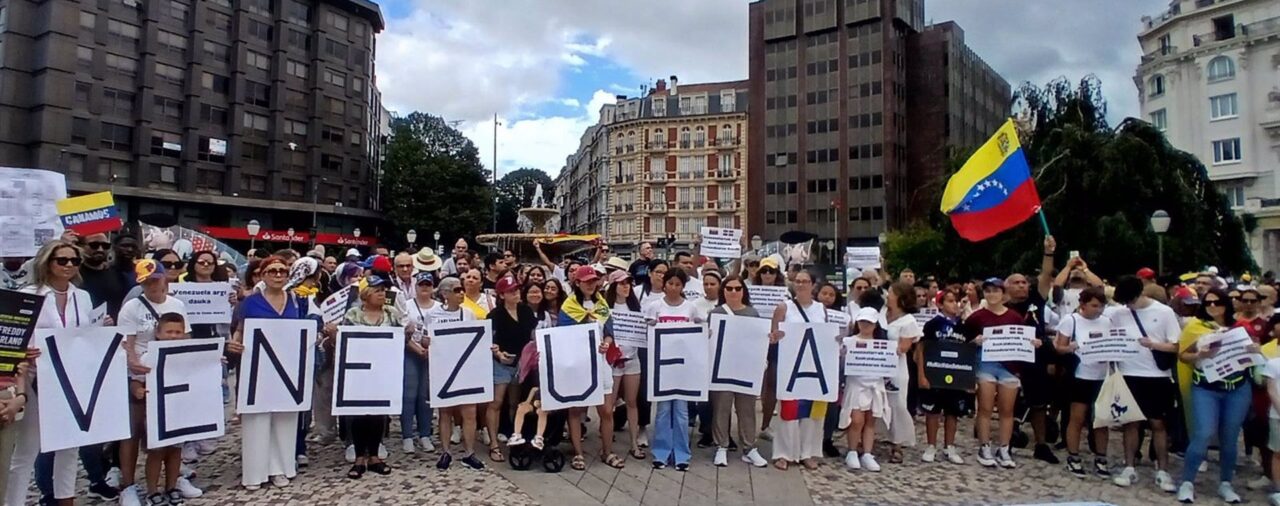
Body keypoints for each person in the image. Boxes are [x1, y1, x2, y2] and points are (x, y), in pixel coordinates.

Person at [8, 240, 111, 505]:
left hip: (72, 378)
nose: (68, 265)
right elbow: (14, 335)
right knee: (27, 450)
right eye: (61, 260)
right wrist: (23, 351)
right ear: (47, 263)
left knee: (69, 444)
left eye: (74, 261)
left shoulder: (82, 296)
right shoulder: (30, 294)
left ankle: (66, 499)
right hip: (35, 378)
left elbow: (85, 336)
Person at [115, 258, 198, 504]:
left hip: (171, 377)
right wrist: (135, 368)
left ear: (164, 278)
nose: (151, 285)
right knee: (133, 432)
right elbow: (126, 343)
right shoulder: (131, 307)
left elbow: (188, 337)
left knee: (173, 435)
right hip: (141, 375)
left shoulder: (177, 305)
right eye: (146, 282)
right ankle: (129, 486)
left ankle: (173, 481)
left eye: (155, 280)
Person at [228, 257, 301, 491]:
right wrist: (234, 344)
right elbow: (238, 330)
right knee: (257, 419)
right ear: (263, 275)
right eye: (273, 271)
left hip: (287, 368)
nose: (278, 275)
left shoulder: (296, 301)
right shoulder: (250, 303)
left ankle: (280, 467)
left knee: (284, 418)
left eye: (283, 271)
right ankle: (255, 471)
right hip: (257, 367)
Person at [1177, 287, 1252, 503]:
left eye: (1216, 302)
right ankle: (1187, 481)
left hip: (1237, 387)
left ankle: (1226, 482)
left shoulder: (1239, 326)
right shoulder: (1196, 327)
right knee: (1203, 433)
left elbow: (1250, 354)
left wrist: (1253, 351)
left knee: (1230, 437)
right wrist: (1200, 354)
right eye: (1207, 303)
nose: (1212, 307)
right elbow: (1182, 355)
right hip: (1206, 387)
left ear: (1225, 304)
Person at [1106, 276, 1181, 492]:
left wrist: (1154, 344)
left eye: (1130, 300)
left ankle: (1163, 469)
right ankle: (1129, 466)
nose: (1127, 305)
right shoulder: (1118, 314)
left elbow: (1175, 346)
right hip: (1129, 373)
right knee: (1131, 423)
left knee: (1158, 424)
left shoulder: (1164, 313)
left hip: (1157, 376)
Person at [963, 277, 1042, 469]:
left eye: (995, 291)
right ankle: (984, 446)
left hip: (1010, 368)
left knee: (1007, 411)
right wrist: (975, 342)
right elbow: (964, 342)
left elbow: (1022, 339)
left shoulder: (1015, 317)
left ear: (1002, 293)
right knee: (985, 408)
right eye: (988, 291)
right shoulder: (976, 317)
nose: (992, 295)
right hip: (985, 365)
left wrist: (1033, 343)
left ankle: (1005, 448)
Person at [338, 276, 405, 479]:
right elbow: (344, 340)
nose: (382, 294)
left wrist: (408, 333)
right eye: (377, 290)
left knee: (378, 414)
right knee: (359, 414)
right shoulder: (353, 314)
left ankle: (375, 456)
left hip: (382, 371)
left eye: (383, 290)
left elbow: (400, 337)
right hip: (359, 372)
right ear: (366, 294)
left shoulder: (391, 314)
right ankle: (359, 457)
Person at [558, 265, 623, 470]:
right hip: (578, 364)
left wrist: (607, 341)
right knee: (576, 409)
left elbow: (609, 330)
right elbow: (564, 336)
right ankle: (578, 453)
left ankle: (607, 451)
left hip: (600, 363)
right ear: (577, 283)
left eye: (594, 280)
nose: (591, 284)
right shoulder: (568, 307)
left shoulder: (601, 304)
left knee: (606, 410)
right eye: (587, 281)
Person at [767, 270, 830, 471]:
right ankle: (784, 453)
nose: (801, 285)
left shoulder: (821, 309)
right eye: (798, 281)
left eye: (805, 281)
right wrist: (776, 336)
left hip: (814, 365)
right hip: (791, 365)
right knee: (789, 410)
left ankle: (808, 452)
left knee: (813, 412)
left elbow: (825, 334)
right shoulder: (784, 308)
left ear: (813, 285)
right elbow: (773, 336)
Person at [707, 275, 769, 468]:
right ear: (723, 291)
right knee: (721, 408)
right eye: (729, 288)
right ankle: (721, 446)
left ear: (743, 291)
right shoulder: (715, 313)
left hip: (745, 369)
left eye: (737, 288)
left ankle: (749, 448)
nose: (733, 292)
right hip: (722, 369)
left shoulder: (752, 313)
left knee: (747, 409)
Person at [642, 268, 700, 471]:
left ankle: (682, 454)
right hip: (662, 368)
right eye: (671, 283)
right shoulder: (654, 306)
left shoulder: (691, 308)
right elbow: (646, 333)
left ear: (683, 286)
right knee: (664, 411)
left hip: (683, 369)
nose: (674, 287)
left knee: (682, 413)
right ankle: (661, 453)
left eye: (678, 284)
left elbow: (697, 335)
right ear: (664, 284)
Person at [137, 313, 197, 505]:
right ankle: (152, 491)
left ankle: (171, 487)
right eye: (169, 331)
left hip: (179, 411)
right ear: (158, 333)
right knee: (157, 452)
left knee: (175, 451)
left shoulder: (187, 355)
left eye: (178, 332)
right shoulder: (148, 357)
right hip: (156, 413)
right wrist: (137, 389)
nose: (173, 336)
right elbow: (136, 379)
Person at [1053, 287, 1112, 479]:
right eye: (1094, 306)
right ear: (1083, 305)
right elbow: (1059, 348)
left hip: (1102, 375)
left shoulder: (1107, 321)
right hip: (1080, 374)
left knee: (1101, 419)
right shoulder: (1071, 321)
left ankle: (1101, 456)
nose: (1098, 310)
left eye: (1101, 306)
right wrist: (1071, 347)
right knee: (1077, 417)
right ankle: (1073, 455)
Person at [428, 276, 485, 471]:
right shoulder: (434, 315)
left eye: (462, 290)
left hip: (465, 368)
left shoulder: (468, 313)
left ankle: (469, 452)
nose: (461, 293)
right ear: (445, 294)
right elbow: (426, 339)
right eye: (457, 290)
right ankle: (446, 452)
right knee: (445, 412)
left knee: (469, 411)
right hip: (443, 367)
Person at [485, 276, 537, 463]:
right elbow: (489, 341)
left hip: (521, 363)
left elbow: (533, 335)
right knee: (496, 402)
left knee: (516, 403)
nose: (516, 293)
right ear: (502, 295)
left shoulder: (526, 311)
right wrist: (498, 353)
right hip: (501, 363)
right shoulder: (495, 315)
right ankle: (493, 444)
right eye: (511, 291)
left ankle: (516, 437)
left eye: (516, 290)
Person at [915, 290, 968, 465]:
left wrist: (968, 377)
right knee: (933, 412)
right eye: (950, 301)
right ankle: (931, 445)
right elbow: (921, 350)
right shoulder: (932, 325)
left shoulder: (963, 326)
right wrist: (922, 375)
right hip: (934, 373)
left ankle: (950, 446)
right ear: (940, 304)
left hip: (955, 374)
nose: (955, 304)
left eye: (957, 301)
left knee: (952, 412)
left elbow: (968, 352)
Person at [604, 270, 646, 461]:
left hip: (632, 360)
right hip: (612, 362)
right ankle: (607, 442)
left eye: (628, 282)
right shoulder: (606, 308)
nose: (626, 286)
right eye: (622, 283)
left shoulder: (636, 308)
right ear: (614, 286)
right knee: (609, 404)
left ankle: (634, 443)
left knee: (631, 402)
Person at [841, 307, 890, 471]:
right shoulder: (849, 341)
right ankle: (852, 451)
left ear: (875, 325)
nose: (866, 325)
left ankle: (868, 453)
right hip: (856, 386)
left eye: (869, 322)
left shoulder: (882, 345)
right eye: (862, 322)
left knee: (870, 420)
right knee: (856, 420)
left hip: (875, 385)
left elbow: (887, 366)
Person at [882, 282, 922, 464]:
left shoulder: (908, 321)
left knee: (897, 404)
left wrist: (880, 348)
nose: (887, 294)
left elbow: (903, 348)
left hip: (896, 367)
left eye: (890, 292)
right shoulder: (881, 314)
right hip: (876, 366)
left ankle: (897, 443)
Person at [401, 271, 437, 455]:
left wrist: (430, 350)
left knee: (426, 396)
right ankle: (407, 435)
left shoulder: (439, 307)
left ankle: (425, 433)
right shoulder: (406, 306)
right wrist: (417, 348)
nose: (424, 288)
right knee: (409, 394)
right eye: (421, 284)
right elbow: (402, 330)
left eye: (428, 284)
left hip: (432, 355)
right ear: (415, 287)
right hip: (410, 352)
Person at [753, 256, 788, 440]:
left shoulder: (785, 296)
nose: (767, 274)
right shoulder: (749, 293)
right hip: (755, 339)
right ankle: (748, 424)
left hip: (776, 343)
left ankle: (765, 425)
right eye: (764, 271)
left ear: (777, 274)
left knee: (771, 384)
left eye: (771, 271)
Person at [1259, 332, 1280, 506]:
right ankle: (1278, 489)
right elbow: (1271, 389)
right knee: (1278, 452)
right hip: (1278, 415)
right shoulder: (1273, 364)